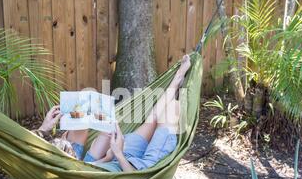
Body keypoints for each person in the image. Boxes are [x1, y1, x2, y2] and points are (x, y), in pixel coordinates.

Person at [32, 54, 192, 172]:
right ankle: (177, 85)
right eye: (70, 150)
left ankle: (177, 79)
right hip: (141, 167)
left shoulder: (79, 168)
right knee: (173, 108)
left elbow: (94, 164)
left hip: (119, 154)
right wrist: (118, 154)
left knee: (153, 119)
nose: (65, 137)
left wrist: (44, 128)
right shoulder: (79, 175)